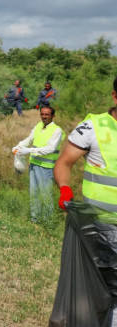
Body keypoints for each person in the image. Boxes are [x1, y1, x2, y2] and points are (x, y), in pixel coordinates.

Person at [54, 76, 117, 324]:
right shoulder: (93, 127)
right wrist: (66, 190)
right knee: (107, 287)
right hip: (101, 227)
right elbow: (64, 163)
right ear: (114, 97)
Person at [12, 106, 65, 222]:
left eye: (47, 114)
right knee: (34, 193)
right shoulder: (38, 126)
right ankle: (35, 218)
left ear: (53, 116)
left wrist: (29, 151)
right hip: (34, 165)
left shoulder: (56, 130)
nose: (44, 117)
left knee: (46, 195)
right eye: (42, 114)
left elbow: (50, 149)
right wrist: (19, 146)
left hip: (46, 168)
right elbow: (29, 139)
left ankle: (47, 220)